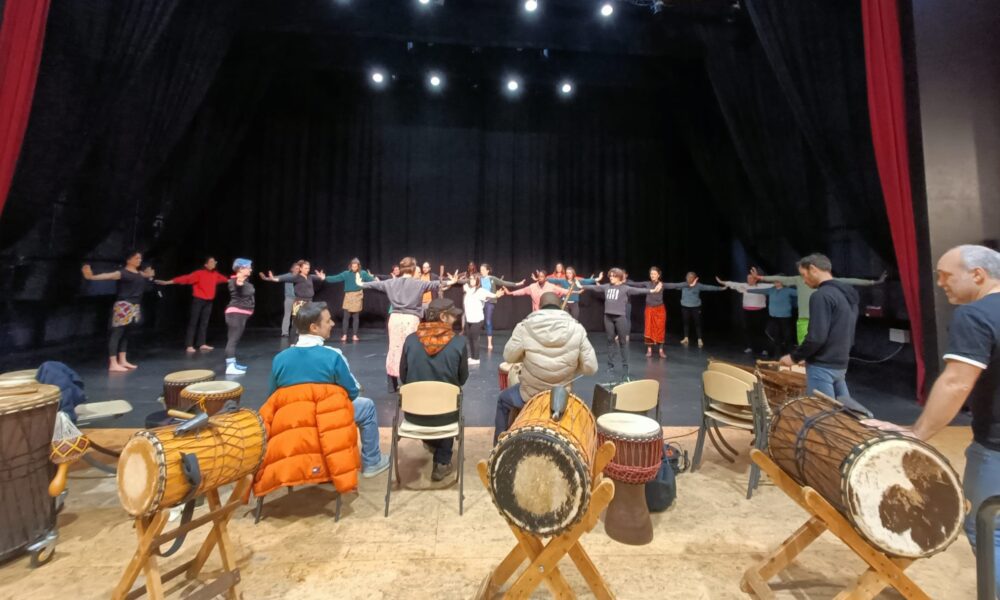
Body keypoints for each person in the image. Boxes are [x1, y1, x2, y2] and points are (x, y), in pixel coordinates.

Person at [863, 245, 1000, 588]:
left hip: (997, 449)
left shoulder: (976, 315)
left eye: (946, 275)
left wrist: (917, 432)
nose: (940, 283)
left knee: (988, 530)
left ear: (977, 275)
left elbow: (956, 382)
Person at [269, 301, 390, 478]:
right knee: (367, 406)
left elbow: (273, 397)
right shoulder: (333, 357)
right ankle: (372, 461)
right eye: (328, 321)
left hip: (293, 422)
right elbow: (352, 393)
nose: (333, 324)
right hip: (326, 420)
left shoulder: (280, 359)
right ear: (314, 328)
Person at [494, 292, 598, 443]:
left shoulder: (525, 326)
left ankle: (499, 447)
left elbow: (509, 357)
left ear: (539, 306)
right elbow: (591, 367)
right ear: (560, 306)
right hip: (560, 397)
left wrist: (524, 357)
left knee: (503, 400)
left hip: (529, 395)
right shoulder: (577, 329)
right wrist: (573, 368)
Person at [779, 253, 870, 416]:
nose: (804, 281)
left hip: (822, 367)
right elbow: (846, 333)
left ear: (813, 269)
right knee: (845, 417)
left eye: (804, 275)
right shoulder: (847, 295)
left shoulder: (821, 296)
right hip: (840, 364)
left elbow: (816, 337)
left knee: (822, 419)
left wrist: (794, 357)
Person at [360, 257, 458, 391]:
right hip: (410, 320)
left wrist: (361, 283)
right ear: (412, 269)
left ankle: (391, 385)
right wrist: (451, 281)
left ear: (401, 269)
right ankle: (409, 382)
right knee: (411, 350)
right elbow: (435, 284)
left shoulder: (391, 282)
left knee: (394, 349)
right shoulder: (419, 284)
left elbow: (375, 285)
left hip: (395, 319)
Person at [399, 297, 469, 481]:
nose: (455, 319)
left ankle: (431, 441)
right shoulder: (459, 343)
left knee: (438, 403)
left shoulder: (410, 340)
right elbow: (462, 379)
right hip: (446, 415)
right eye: (452, 315)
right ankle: (442, 462)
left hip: (414, 415)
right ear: (443, 317)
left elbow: (403, 377)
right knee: (450, 400)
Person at [758, 266, 886, 344]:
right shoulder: (798, 279)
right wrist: (760, 278)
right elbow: (779, 279)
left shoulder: (822, 281)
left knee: (819, 346)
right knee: (804, 347)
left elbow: (847, 280)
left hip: (818, 320)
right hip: (804, 320)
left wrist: (873, 282)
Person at [582, 268, 663, 380]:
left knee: (622, 342)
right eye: (610, 276)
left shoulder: (625, 288)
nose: (611, 277)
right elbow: (595, 288)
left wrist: (652, 291)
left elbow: (639, 290)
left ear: (619, 277)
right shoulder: (607, 286)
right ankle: (610, 366)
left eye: (613, 276)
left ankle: (625, 368)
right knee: (610, 341)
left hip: (620, 318)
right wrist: (582, 286)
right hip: (608, 317)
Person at [81, 251, 156, 372]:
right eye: (136, 258)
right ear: (129, 260)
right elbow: (107, 275)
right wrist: (91, 277)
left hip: (135, 305)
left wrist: (149, 274)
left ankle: (123, 360)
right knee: (117, 333)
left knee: (126, 333)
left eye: (140, 258)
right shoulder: (123, 273)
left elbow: (147, 276)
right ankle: (113, 363)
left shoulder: (139, 273)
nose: (139, 260)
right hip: (124, 305)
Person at [157, 257, 229, 353]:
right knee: (193, 322)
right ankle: (189, 345)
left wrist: (238, 278)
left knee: (204, 322)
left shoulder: (215, 274)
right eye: (211, 262)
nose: (214, 263)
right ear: (206, 265)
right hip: (198, 300)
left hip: (209, 302)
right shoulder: (199, 273)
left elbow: (225, 279)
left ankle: (201, 343)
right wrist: (168, 282)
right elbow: (185, 279)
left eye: (214, 261)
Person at [261, 260, 326, 343]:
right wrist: (273, 278)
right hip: (299, 302)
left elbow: (320, 278)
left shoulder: (310, 277)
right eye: (306, 268)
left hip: (309, 302)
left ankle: (306, 340)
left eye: (308, 268)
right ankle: (292, 343)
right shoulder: (296, 277)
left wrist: (322, 277)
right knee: (296, 323)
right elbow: (283, 278)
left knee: (309, 322)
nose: (308, 270)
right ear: (300, 269)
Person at [663, 272, 725, 348]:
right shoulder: (683, 284)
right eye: (687, 277)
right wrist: (662, 285)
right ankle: (686, 338)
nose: (689, 278)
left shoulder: (698, 285)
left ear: (695, 278)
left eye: (691, 277)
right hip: (685, 307)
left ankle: (699, 339)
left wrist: (720, 288)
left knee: (697, 323)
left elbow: (709, 287)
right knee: (686, 322)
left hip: (695, 307)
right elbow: (674, 285)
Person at [717, 272, 773, 356]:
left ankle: (765, 349)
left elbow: (774, 285)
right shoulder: (744, 286)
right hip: (747, 311)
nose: (748, 280)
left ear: (755, 279)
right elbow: (733, 284)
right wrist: (722, 282)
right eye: (748, 278)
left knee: (760, 331)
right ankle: (750, 347)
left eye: (750, 278)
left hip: (759, 312)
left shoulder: (762, 286)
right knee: (748, 330)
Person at [324, 258, 376, 342]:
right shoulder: (346, 274)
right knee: (346, 317)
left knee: (356, 317)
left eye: (355, 266)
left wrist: (372, 276)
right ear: (350, 266)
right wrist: (325, 278)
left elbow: (372, 280)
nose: (354, 268)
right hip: (348, 296)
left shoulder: (363, 273)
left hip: (357, 296)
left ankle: (355, 335)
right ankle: (344, 335)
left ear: (358, 266)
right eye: (353, 266)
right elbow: (335, 278)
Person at [747, 279, 798, 357]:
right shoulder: (771, 290)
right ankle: (777, 354)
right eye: (775, 281)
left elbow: (800, 293)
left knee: (787, 335)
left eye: (778, 281)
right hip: (774, 316)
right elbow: (760, 291)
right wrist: (747, 290)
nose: (776, 283)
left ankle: (790, 354)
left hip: (784, 317)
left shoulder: (788, 290)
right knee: (775, 335)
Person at [478, 263, 523, 350]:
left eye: (483, 270)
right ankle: (476, 338)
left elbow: (504, 282)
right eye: (480, 270)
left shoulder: (492, 278)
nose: (481, 271)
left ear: (487, 271)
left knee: (488, 321)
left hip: (490, 302)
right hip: (479, 302)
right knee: (478, 321)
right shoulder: (478, 278)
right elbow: (469, 281)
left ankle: (489, 343)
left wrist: (517, 284)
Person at [462, 274, 505, 364]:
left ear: (477, 281)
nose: (471, 280)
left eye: (473, 279)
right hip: (469, 319)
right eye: (470, 279)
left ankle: (476, 359)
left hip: (477, 320)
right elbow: (464, 285)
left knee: (475, 339)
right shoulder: (469, 290)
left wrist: (496, 295)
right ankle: (472, 357)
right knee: (470, 338)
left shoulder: (481, 291)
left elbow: (491, 295)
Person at [224, 259, 255, 375]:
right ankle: (230, 367)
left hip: (238, 315)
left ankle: (232, 363)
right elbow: (238, 284)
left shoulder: (244, 280)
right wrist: (240, 280)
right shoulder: (237, 280)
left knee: (233, 340)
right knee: (233, 340)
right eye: (249, 267)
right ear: (241, 269)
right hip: (236, 315)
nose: (251, 269)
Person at [634, 266, 668, 358]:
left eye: (654, 274)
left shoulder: (662, 284)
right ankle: (649, 350)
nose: (652, 275)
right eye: (651, 274)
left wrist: (688, 284)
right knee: (648, 328)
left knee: (660, 329)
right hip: (649, 309)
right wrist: (623, 280)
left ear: (658, 275)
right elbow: (635, 284)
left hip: (660, 310)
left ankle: (661, 350)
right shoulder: (647, 283)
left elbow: (676, 285)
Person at [280, 262, 301, 337]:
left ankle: (296, 331)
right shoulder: (288, 276)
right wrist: (269, 278)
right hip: (289, 298)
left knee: (296, 315)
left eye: (298, 269)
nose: (297, 270)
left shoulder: (300, 277)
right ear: (292, 269)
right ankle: (284, 332)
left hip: (297, 298)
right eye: (296, 268)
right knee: (287, 315)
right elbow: (278, 278)